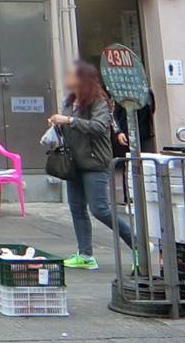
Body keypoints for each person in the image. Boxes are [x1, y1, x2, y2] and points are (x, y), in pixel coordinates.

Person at [50, 59, 134, 270]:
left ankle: (138, 244)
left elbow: (98, 126)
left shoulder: (98, 101)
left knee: (100, 209)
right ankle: (85, 254)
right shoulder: (69, 102)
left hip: (95, 161)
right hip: (73, 162)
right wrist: (56, 125)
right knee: (77, 208)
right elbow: (68, 127)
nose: (68, 79)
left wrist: (69, 121)